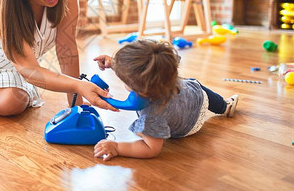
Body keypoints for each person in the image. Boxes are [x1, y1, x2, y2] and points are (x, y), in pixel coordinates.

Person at [92, 39, 239, 160]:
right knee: (194, 83)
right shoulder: (163, 62)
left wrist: (117, 147)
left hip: (189, 126)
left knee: (152, 130)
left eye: (125, 79)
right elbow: (140, 69)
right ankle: (224, 107)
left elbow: (151, 149)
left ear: (141, 90)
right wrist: (114, 64)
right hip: (193, 94)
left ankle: (222, 107)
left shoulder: (152, 115)